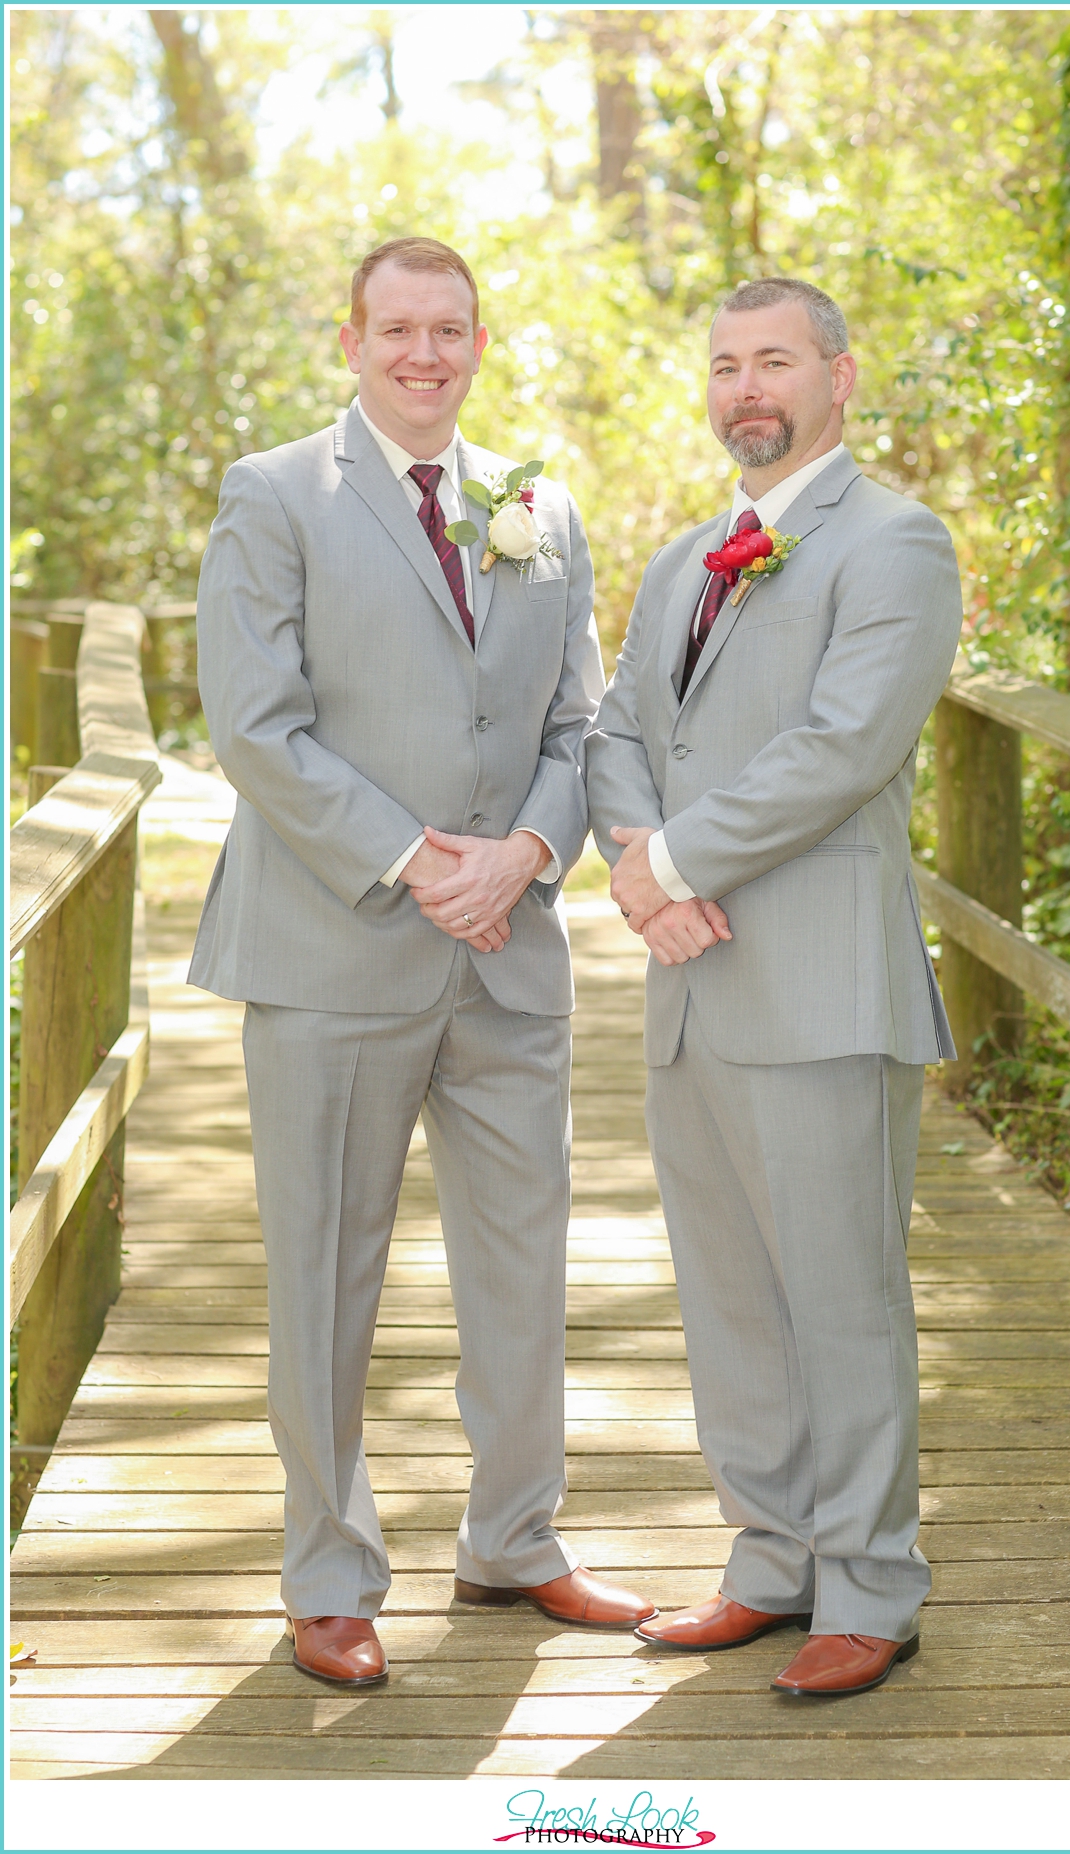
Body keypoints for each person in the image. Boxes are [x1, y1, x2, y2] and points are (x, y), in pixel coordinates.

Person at [191, 236, 654, 1688]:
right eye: (397, 329)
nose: (425, 355)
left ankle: (515, 1537)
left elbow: (584, 730)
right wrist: (417, 858)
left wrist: (521, 855)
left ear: (478, 341)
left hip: (510, 948)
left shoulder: (540, 506)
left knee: (522, 1260)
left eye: (450, 330)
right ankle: (328, 1571)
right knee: (326, 1273)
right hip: (336, 946)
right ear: (352, 340)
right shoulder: (276, 496)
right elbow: (254, 724)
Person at [586, 276, 962, 1698]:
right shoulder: (686, 557)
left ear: (840, 377)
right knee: (730, 1294)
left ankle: (871, 1583)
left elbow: (843, 744)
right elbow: (618, 731)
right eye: (728, 363)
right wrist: (643, 862)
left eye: (777, 361)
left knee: (840, 1294)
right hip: (692, 989)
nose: (750, 387)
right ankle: (770, 1559)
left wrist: (667, 865)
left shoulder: (896, 544)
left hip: (817, 984)